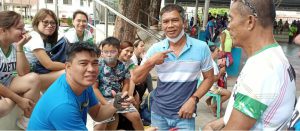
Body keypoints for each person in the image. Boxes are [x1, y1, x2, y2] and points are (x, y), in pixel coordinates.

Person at [203, 0, 296, 130]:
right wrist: (221, 121)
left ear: (250, 22)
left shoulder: (262, 69)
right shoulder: (272, 56)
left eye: (231, 18)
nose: (228, 26)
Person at [132, 4, 214, 130]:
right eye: (165, 21)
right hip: (158, 113)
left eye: (175, 20)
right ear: (162, 25)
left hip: (185, 114)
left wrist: (193, 100)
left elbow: (209, 78)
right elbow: (136, 78)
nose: (170, 25)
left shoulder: (201, 47)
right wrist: (151, 61)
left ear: (184, 23)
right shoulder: (156, 49)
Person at [27, 42, 133, 130]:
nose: (91, 69)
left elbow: (97, 114)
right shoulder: (63, 105)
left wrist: (115, 105)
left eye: (95, 63)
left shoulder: (82, 84)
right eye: (83, 63)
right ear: (68, 67)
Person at [0, 11, 40, 129]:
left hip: (7, 83)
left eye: (23, 28)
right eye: (19, 28)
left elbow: (23, 73)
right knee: (3, 109)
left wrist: (20, 47)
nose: (23, 32)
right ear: (3, 30)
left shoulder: (13, 46)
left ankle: (26, 120)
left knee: (34, 78)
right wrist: (19, 99)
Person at [93, 37, 143, 130]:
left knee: (135, 116)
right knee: (100, 127)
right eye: (105, 52)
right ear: (102, 53)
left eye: (112, 52)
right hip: (102, 99)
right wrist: (106, 105)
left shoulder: (122, 66)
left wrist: (122, 95)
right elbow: (94, 88)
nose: (109, 55)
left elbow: (126, 83)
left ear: (118, 52)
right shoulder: (98, 66)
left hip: (119, 98)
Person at [23, 9, 64, 91]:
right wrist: (70, 66)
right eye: (45, 22)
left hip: (35, 74)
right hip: (26, 78)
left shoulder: (47, 40)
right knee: (67, 73)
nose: (49, 25)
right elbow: (49, 64)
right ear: (37, 23)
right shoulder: (35, 36)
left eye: (53, 23)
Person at [205, 45, 231, 116]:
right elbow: (213, 79)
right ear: (211, 52)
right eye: (217, 51)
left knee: (224, 86)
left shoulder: (210, 61)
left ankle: (211, 100)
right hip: (211, 87)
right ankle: (214, 105)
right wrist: (221, 72)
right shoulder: (212, 63)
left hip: (209, 85)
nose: (219, 52)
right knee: (228, 93)